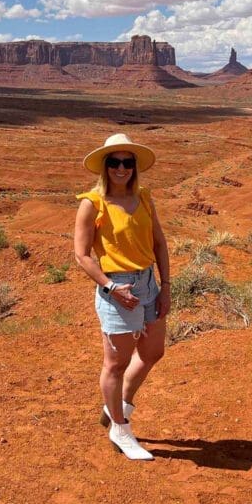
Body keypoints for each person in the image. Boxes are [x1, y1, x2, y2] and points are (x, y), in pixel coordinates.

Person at [74, 133, 170, 461]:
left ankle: (120, 402)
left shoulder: (143, 197)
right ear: (105, 166)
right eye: (114, 162)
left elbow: (159, 243)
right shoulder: (93, 203)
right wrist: (111, 287)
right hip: (117, 288)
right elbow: (82, 255)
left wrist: (166, 285)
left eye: (128, 162)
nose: (121, 168)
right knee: (116, 363)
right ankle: (119, 426)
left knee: (153, 351)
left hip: (148, 283)